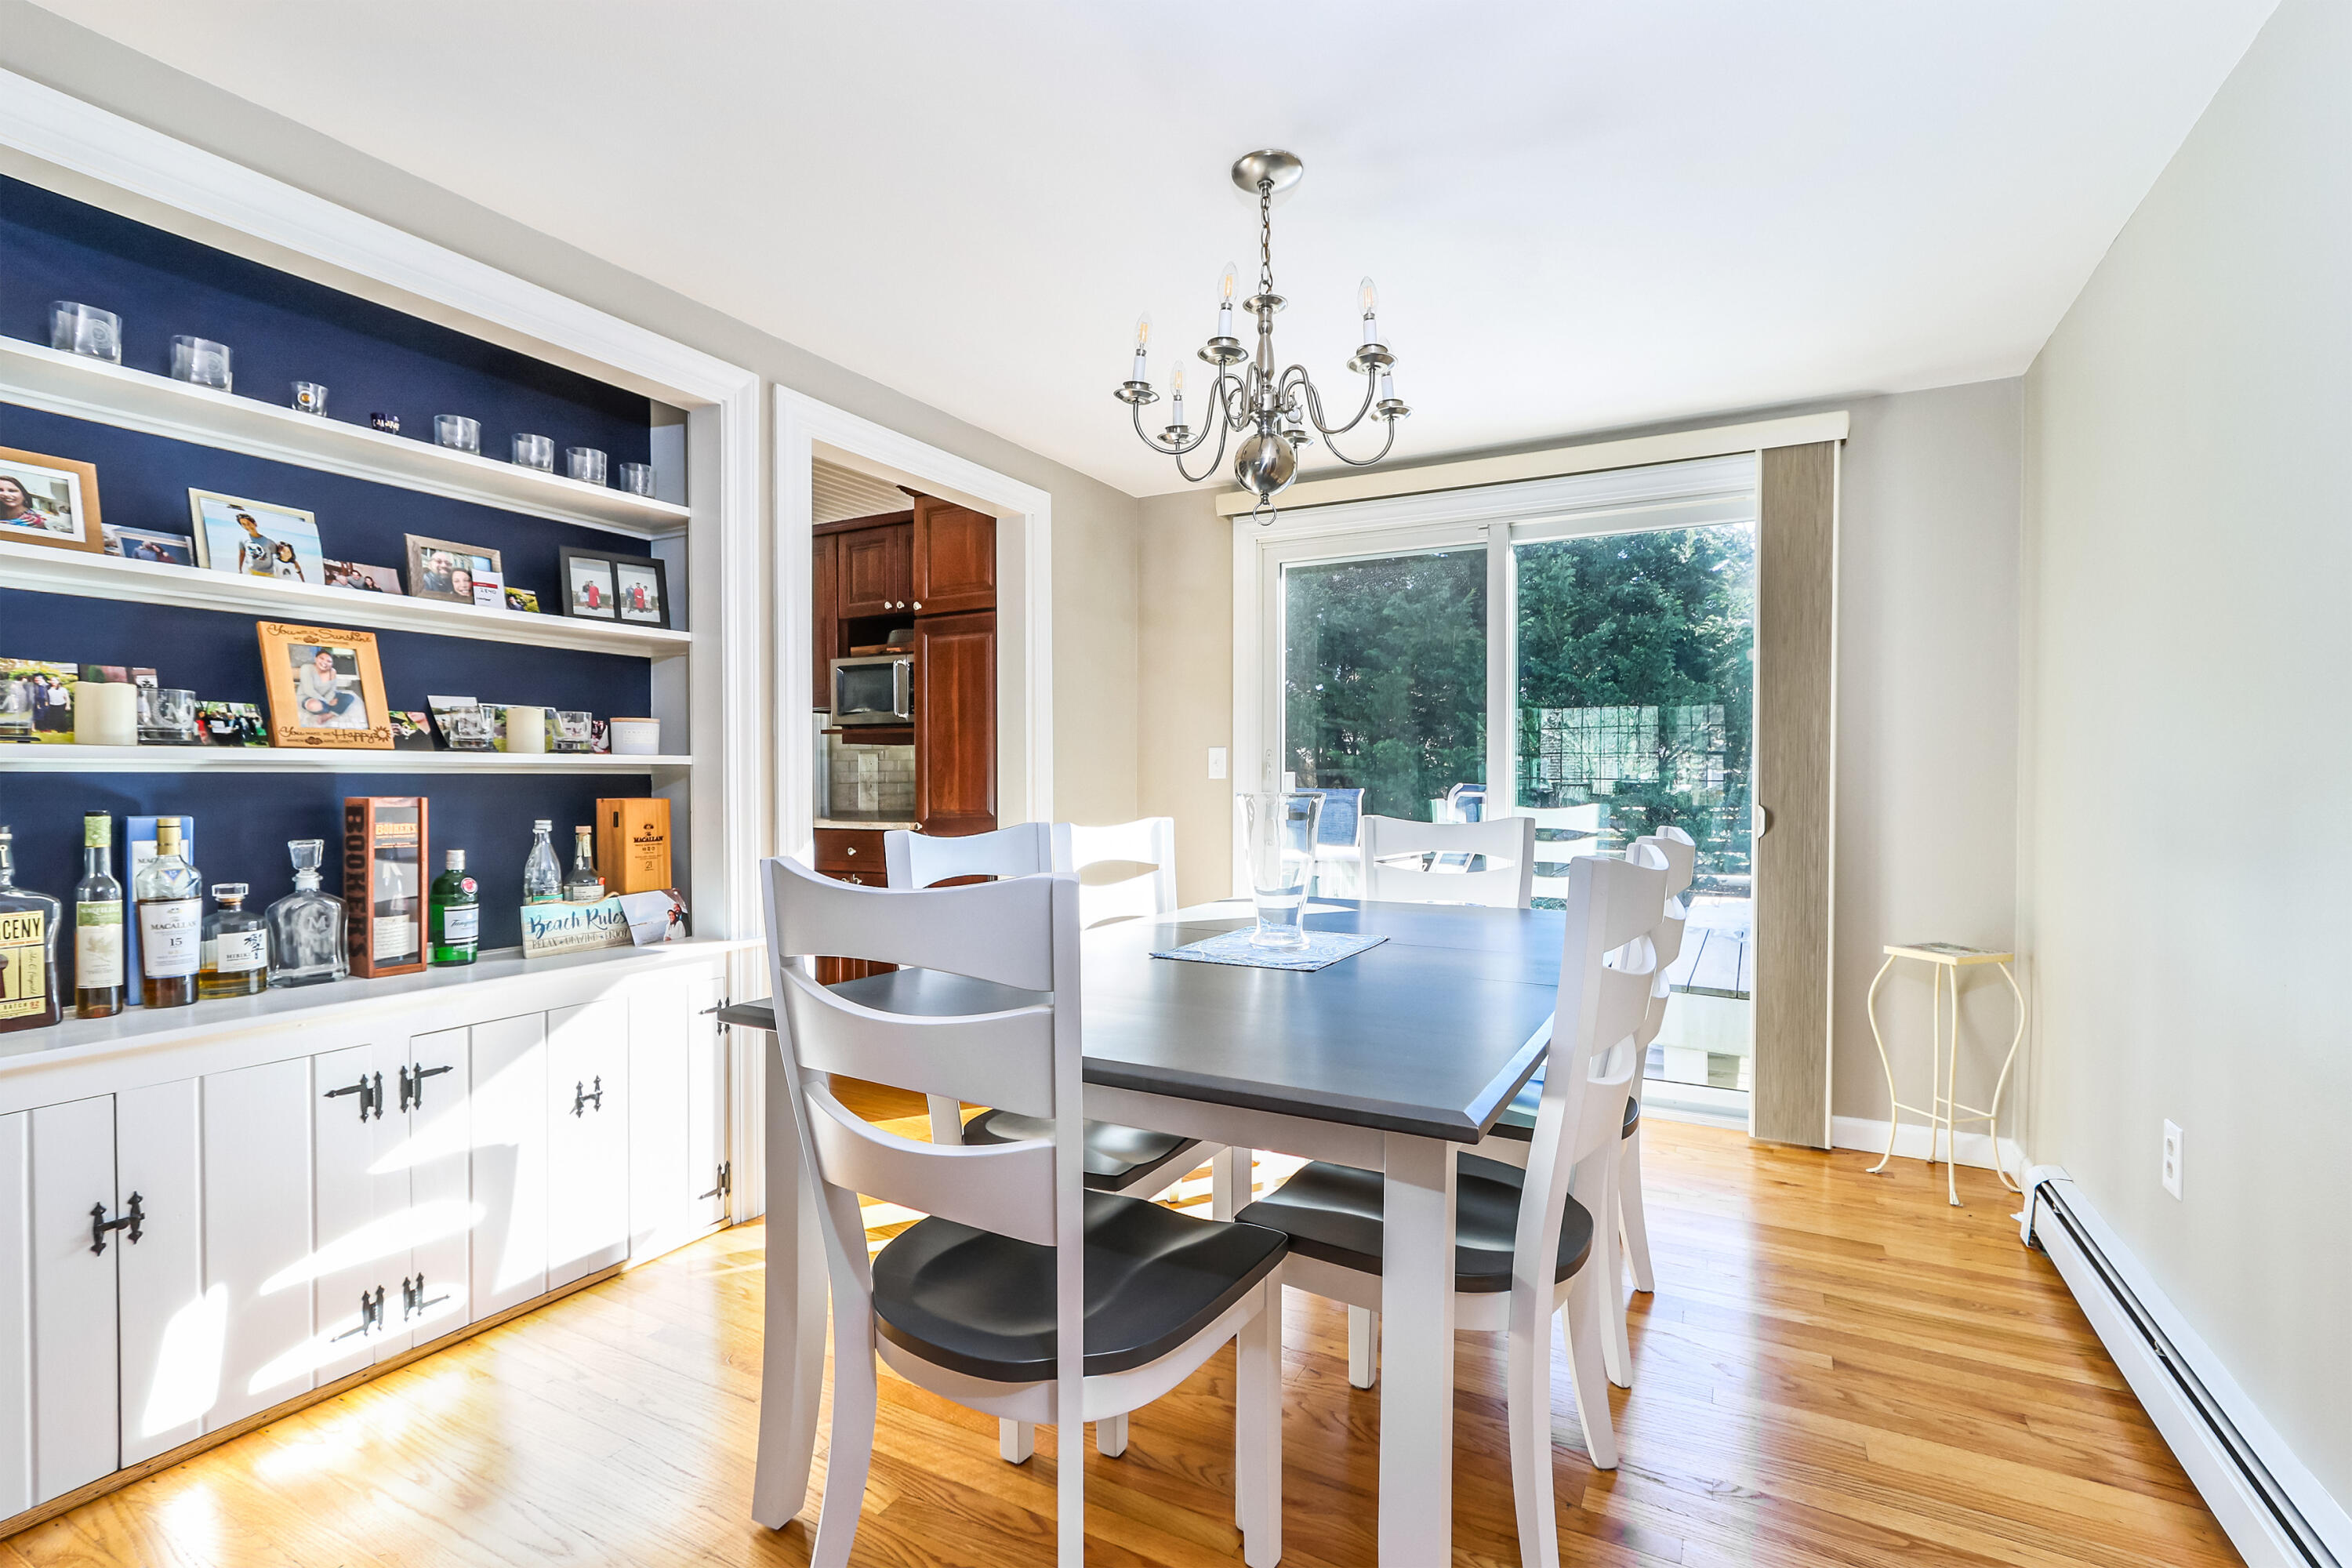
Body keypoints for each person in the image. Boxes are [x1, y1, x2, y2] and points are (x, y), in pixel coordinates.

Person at [294, 647, 362, 728]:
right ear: (316, 659)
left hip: (326, 696)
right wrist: (327, 702)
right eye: (321, 658)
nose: (324, 662)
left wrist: (329, 699)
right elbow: (309, 691)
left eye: (329, 661)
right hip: (308, 696)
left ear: (332, 664)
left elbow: (332, 690)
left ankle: (328, 715)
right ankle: (335, 709)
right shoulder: (306, 668)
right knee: (314, 706)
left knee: (349, 697)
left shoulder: (332, 671)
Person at [0, 475, 64, 535]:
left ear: (24, 495)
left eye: (12, 491)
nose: (6, 494)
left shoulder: (43, 519)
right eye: (0, 490)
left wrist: (45, 525)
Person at [231, 512, 280, 577]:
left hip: (268, 574)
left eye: (248, 523)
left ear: (255, 524)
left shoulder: (269, 542)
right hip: (251, 573)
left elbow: (278, 556)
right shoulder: (243, 540)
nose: (247, 526)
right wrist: (240, 569)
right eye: (243, 524)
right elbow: (242, 554)